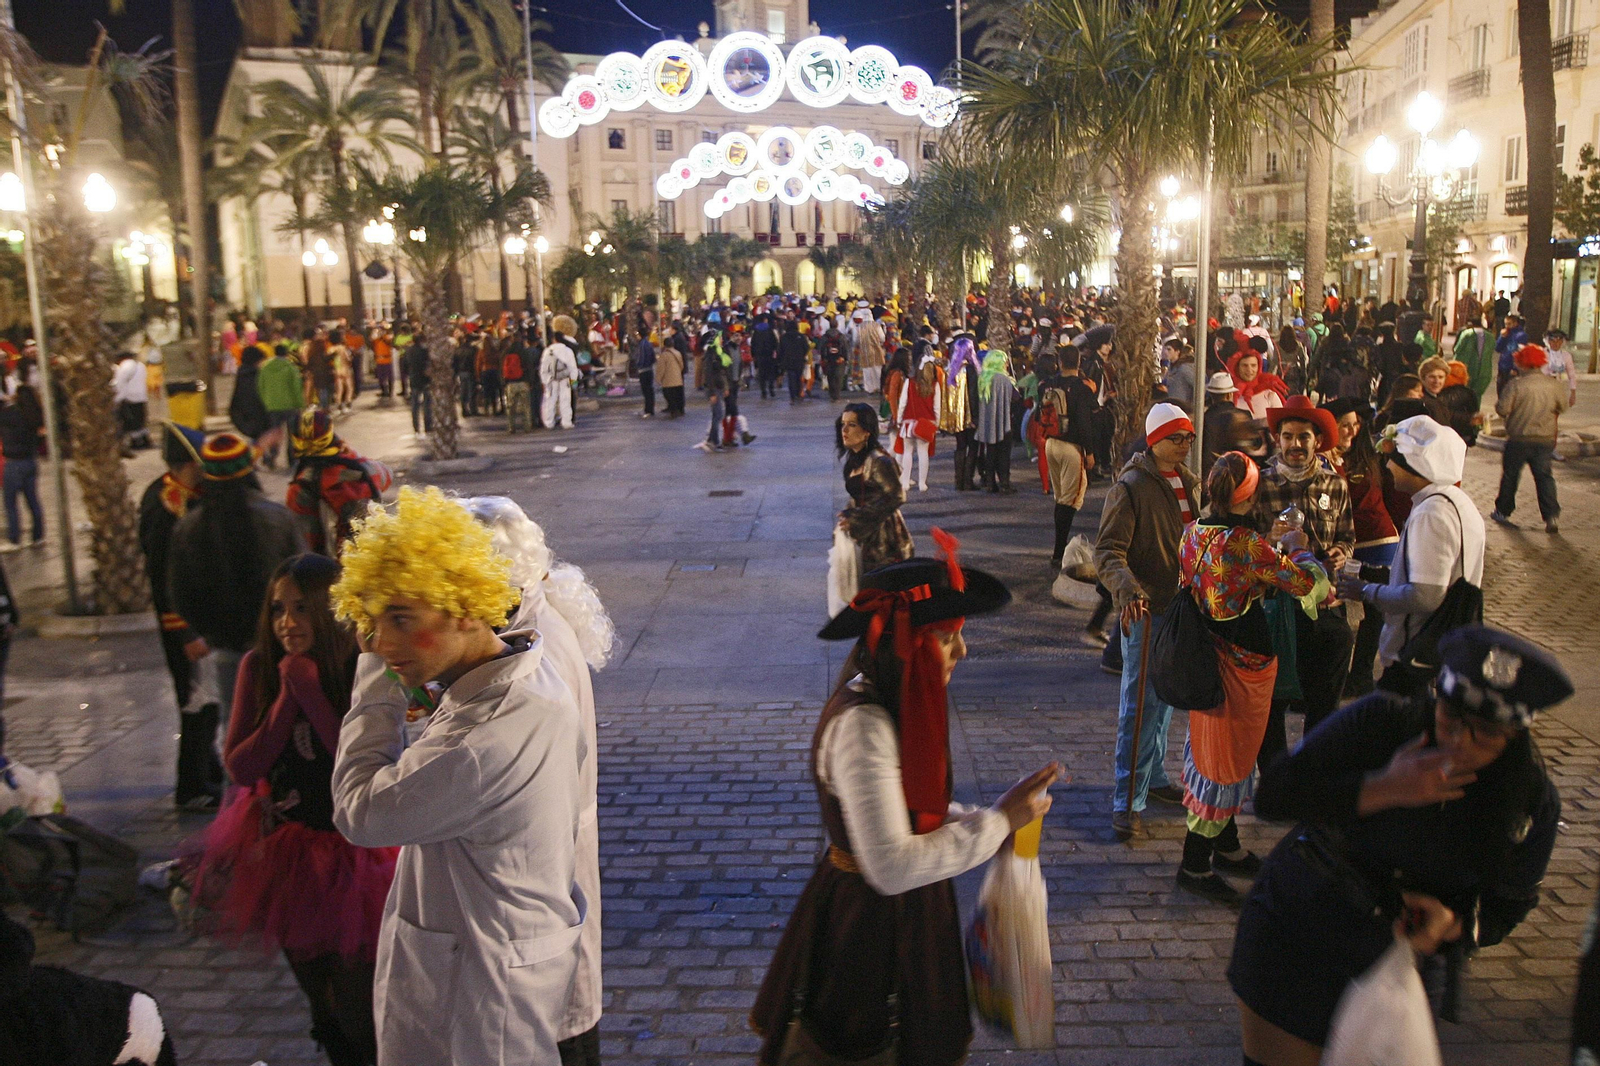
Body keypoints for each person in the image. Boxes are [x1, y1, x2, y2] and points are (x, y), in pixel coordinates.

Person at [749, 546, 1061, 1066]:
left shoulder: (901, 705)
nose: (961, 651)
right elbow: (892, 864)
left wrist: (987, 820)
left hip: (909, 918)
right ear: (905, 645)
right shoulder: (863, 727)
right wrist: (998, 820)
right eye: (945, 638)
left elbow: (911, 810)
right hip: (866, 933)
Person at [330, 486, 590, 1065]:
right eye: (372, 620)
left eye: (402, 619)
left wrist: (375, 680)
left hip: (482, 989)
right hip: (495, 964)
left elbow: (359, 810)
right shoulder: (522, 676)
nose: (381, 640)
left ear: (468, 605)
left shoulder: (480, 738)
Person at [1228, 625, 1567, 1066]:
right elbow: (1274, 795)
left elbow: (1509, 902)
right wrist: (1383, 788)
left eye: (1484, 732)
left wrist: (1451, 924)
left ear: (1515, 737)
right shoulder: (1383, 721)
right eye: (1450, 717)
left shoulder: (1530, 802)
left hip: (1397, 968)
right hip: (1299, 927)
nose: (1458, 741)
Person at [192, 554, 398, 1066]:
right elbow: (242, 766)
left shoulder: (362, 665)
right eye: (279, 608)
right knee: (319, 999)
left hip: (356, 858)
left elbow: (354, 766)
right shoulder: (259, 667)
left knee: (358, 1001)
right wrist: (286, 699)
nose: (288, 622)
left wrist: (310, 691)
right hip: (288, 854)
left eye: (303, 609)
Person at [463, 496, 615, 1063]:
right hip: (544, 876)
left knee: (552, 1022)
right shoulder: (536, 622)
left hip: (536, 882)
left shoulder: (532, 659)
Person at [1176, 452, 1324, 905]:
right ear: (1250, 494)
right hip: (1240, 667)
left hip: (1210, 657)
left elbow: (1224, 585)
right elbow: (1303, 583)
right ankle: (1195, 864)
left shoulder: (1194, 533)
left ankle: (1227, 846)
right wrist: (1298, 548)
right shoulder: (1244, 543)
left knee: (1219, 754)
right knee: (1223, 762)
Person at [1095, 402, 1200, 840]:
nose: (1184, 446)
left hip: (1181, 609)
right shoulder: (1131, 486)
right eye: (1177, 438)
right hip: (1147, 610)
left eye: (1188, 439)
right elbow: (1107, 551)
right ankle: (1127, 800)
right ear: (1155, 439)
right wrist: (1129, 591)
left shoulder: (1187, 482)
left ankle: (1153, 780)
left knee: (1164, 702)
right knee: (1138, 709)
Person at [168, 433, 306, 748]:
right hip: (280, 644)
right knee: (287, 726)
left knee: (237, 730)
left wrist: (205, 632)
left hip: (227, 650)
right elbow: (302, 581)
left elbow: (179, 593)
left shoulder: (188, 527)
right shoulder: (279, 519)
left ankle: (241, 796)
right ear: (248, 471)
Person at [1338, 415, 1483, 700]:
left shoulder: (1433, 513)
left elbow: (1425, 596)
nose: (1388, 467)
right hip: (1437, 651)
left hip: (1417, 656)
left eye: (1394, 459)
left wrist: (1366, 590)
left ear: (1416, 465)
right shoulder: (1454, 502)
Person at [1251, 397, 1353, 761]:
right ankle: (1277, 780)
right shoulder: (1258, 484)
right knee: (1271, 703)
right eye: (1288, 436)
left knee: (1324, 702)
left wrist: (1342, 552)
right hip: (1277, 610)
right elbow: (1244, 548)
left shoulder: (1334, 484)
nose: (1296, 444)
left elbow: (1346, 535)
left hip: (1324, 608)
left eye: (1304, 437)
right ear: (1277, 439)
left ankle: (1312, 774)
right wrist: (1270, 540)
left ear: (1317, 440)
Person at [138, 422, 224, 809]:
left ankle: (208, 767)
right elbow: (163, 576)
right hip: (184, 624)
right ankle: (192, 785)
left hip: (203, 615)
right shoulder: (165, 504)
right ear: (184, 464)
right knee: (195, 699)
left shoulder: (187, 494)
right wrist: (185, 631)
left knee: (208, 699)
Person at [285, 408, 393, 556]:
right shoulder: (361, 470)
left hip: (335, 570)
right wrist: (352, 455)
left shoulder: (300, 488)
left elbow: (303, 542)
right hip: (374, 560)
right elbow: (387, 475)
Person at [1492, 344, 1568, 533]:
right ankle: (1551, 516)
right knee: (1544, 477)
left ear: (1522, 363)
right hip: (1544, 438)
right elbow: (1563, 407)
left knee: (1511, 476)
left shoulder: (1516, 385)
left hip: (1519, 438)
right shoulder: (1553, 385)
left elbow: (1502, 409)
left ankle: (1503, 511)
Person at [1038, 349, 1099, 566]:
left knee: (1061, 497)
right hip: (1071, 448)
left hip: (1051, 444)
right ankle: (1058, 552)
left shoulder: (1047, 384)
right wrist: (1090, 452)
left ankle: (1058, 549)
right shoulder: (1082, 388)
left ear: (1060, 362)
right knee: (1070, 500)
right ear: (1079, 361)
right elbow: (1085, 422)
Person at [837, 403, 913, 571]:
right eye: (843, 424)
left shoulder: (879, 461)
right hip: (867, 537)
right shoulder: (856, 459)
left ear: (866, 432)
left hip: (885, 542)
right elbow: (861, 494)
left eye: (852, 425)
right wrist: (848, 515)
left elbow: (897, 496)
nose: (845, 430)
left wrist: (857, 517)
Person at [0, 388, 42, 552]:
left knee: (11, 503)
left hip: (13, 463)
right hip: (30, 461)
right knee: (32, 500)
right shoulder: (32, 416)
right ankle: (38, 536)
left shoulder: (9, 414)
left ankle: (14, 539)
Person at [894, 354, 942, 494]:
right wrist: (936, 424)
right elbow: (936, 407)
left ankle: (905, 481)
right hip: (926, 423)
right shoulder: (935, 385)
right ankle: (922, 483)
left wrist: (899, 419)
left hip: (909, 421)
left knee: (907, 452)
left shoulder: (910, 382)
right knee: (923, 453)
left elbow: (902, 403)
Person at [974, 349, 1017, 494]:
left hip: (988, 422)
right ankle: (1004, 482)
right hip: (1004, 421)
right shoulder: (1004, 379)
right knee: (1004, 453)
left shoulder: (984, 378)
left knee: (991, 452)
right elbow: (1016, 398)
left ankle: (990, 482)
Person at [946, 337, 983, 491]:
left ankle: (958, 480)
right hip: (971, 416)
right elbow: (974, 395)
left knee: (960, 446)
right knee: (973, 447)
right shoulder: (973, 370)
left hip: (956, 417)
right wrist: (975, 416)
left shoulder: (952, 370)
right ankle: (968, 480)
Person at [541, 315, 580, 430]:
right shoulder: (568, 350)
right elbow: (573, 367)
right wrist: (573, 381)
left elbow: (544, 368)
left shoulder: (548, 351)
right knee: (565, 401)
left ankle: (549, 422)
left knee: (550, 401)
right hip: (565, 379)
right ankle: (566, 422)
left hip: (552, 379)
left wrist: (544, 381)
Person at [1228, 347, 1287, 422]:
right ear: (1237, 368)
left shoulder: (1270, 394)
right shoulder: (1229, 394)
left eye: (1253, 365)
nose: (1249, 370)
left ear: (1259, 367)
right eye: (1244, 365)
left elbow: (1280, 423)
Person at [113, 350, 150, 451]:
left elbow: (120, 382)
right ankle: (145, 440)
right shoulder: (140, 365)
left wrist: (117, 397)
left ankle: (136, 442)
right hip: (141, 395)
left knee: (131, 421)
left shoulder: (125, 366)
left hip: (129, 396)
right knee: (140, 419)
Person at [1452, 315, 1495, 400]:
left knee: (1463, 396)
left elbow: (1457, 349)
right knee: (1477, 396)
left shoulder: (1467, 334)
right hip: (1485, 370)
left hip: (1466, 368)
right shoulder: (1490, 336)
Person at [1543, 328, 1580, 409]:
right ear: (1548, 341)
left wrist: (1573, 393)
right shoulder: (1542, 353)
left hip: (1557, 386)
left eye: (1559, 341)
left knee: (1555, 411)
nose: (1556, 344)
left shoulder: (1566, 356)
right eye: (1553, 341)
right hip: (1542, 387)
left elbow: (1572, 375)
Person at [780, 319, 811, 404]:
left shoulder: (784, 337)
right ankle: (798, 394)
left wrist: (781, 360)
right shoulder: (801, 336)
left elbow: (780, 350)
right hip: (799, 360)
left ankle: (792, 397)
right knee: (798, 377)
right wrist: (802, 354)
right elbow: (807, 347)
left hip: (788, 361)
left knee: (791, 379)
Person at [854, 309, 886, 393]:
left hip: (865, 351)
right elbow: (882, 338)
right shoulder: (876, 325)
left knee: (867, 371)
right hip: (876, 351)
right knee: (877, 370)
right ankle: (879, 387)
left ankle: (869, 389)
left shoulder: (859, 327)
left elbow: (856, 340)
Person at [657, 328, 686, 418]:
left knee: (669, 395)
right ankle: (680, 409)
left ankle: (673, 410)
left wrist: (658, 379)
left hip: (668, 380)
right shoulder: (677, 353)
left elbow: (661, 368)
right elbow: (682, 365)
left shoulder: (664, 355)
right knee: (678, 395)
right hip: (678, 379)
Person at [750, 314, 779, 399]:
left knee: (761, 374)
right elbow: (775, 342)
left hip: (759, 355)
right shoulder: (769, 330)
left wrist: (753, 354)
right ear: (765, 320)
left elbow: (753, 344)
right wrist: (775, 350)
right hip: (769, 354)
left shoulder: (756, 331)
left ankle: (763, 392)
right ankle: (771, 389)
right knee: (770, 372)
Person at [818, 321, 847, 401]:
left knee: (830, 377)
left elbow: (820, 348)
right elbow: (845, 348)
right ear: (837, 325)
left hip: (828, 359)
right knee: (838, 377)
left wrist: (823, 358)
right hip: (839, 359)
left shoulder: (825, 336)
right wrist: (845, 358)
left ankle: (832, 394)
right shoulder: (841, 336)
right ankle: (837, 395)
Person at [633, 330, 656, 418]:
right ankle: (649, 409)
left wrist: (639, 366)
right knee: (649, 391)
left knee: (646, 391)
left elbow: (641, 358)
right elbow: (653, 357)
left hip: (644, 370)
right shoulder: (648, 343)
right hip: (649, 369)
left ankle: (648, 410)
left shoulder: (642, 345)